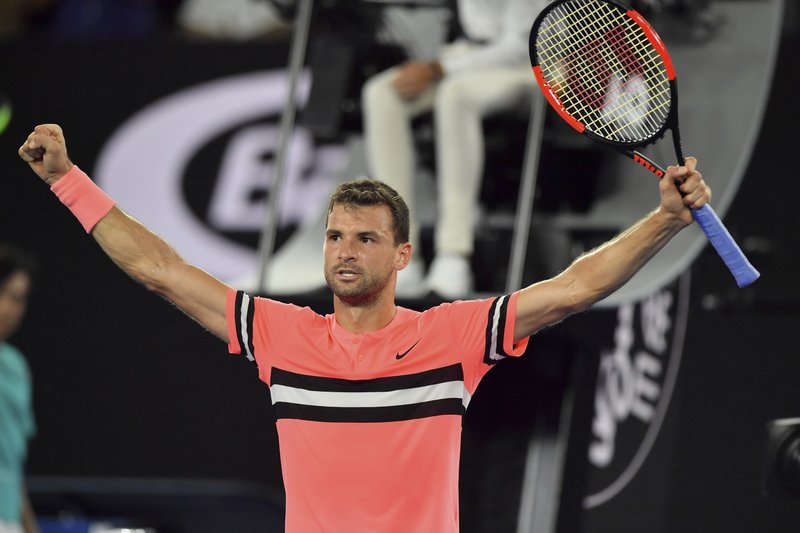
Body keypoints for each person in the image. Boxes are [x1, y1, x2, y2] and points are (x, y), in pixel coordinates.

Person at [18, 123, 710, 532]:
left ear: (402, 253)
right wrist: (68, 180)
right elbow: (161, 269)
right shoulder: (279, 334)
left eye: (365, 239)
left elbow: (574, 287)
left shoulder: (454, 335)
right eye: (335, 236)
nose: (345, 251)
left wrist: (664, 221)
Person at [362, 0, 548, 298]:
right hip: (466, 57)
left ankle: (454, 255)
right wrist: (444, 65)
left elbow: (521, 48)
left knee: (455, 95)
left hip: (530, 65)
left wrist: (441, 68)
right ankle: (399, 254)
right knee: (381, 93)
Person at [0, 245, 40, 533]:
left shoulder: (16, 367)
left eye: (18, 298)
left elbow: (13, 465)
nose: (8, 308)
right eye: (2, 293)